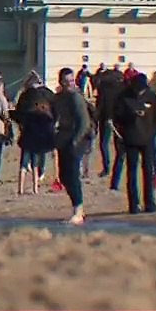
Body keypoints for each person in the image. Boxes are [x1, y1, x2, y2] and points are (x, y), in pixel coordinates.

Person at [114, 72, 156, 214]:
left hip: (148, 138)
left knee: (148, 171)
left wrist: (154, 132)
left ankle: (150, 203)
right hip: (130, 138)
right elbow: (117, 116)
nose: (140, 91)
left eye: (142, 89)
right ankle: (133, 204)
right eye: (137, 88)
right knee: (132, 172)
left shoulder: (151, 95)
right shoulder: (124, 96)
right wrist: (131, 116)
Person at [53, 67, 91, 225]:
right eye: (67, 81)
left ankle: (79, 211)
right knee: (64, 176)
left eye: (72, 81)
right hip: (63, 138)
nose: (70, 84)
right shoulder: (59, 97)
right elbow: (55, 116)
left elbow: (84, 122)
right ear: (61, 81)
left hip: (77, 139)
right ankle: (77, 208)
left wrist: (75, 141)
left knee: (73, 174)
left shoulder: (76, 98)